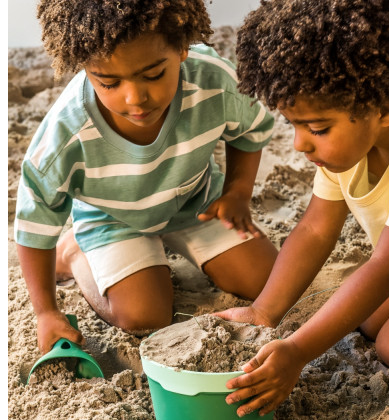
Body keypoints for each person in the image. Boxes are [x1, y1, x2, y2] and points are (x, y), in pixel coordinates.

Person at [15, 0, 278, 354]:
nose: (135, 98)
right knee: (144, 316)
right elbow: (34, 223)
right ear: (85, 69)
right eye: (108, 82)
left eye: (153, 75)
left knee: (266, 280)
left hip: (196, 200)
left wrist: (237, 192)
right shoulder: (65, 134)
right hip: (114, 218)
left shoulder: (214, 80)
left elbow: (251, 130)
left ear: (182, 48)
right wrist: (46, 311)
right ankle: (75, 252)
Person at [217, 0, 389, 418]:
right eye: (293, 126)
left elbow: (384, 266)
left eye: (316, 128)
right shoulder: (348, 144)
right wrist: (265, 310)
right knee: (368, 324)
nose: (300, 144)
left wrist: (298, 351)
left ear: (386, 108)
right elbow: (317, 229)